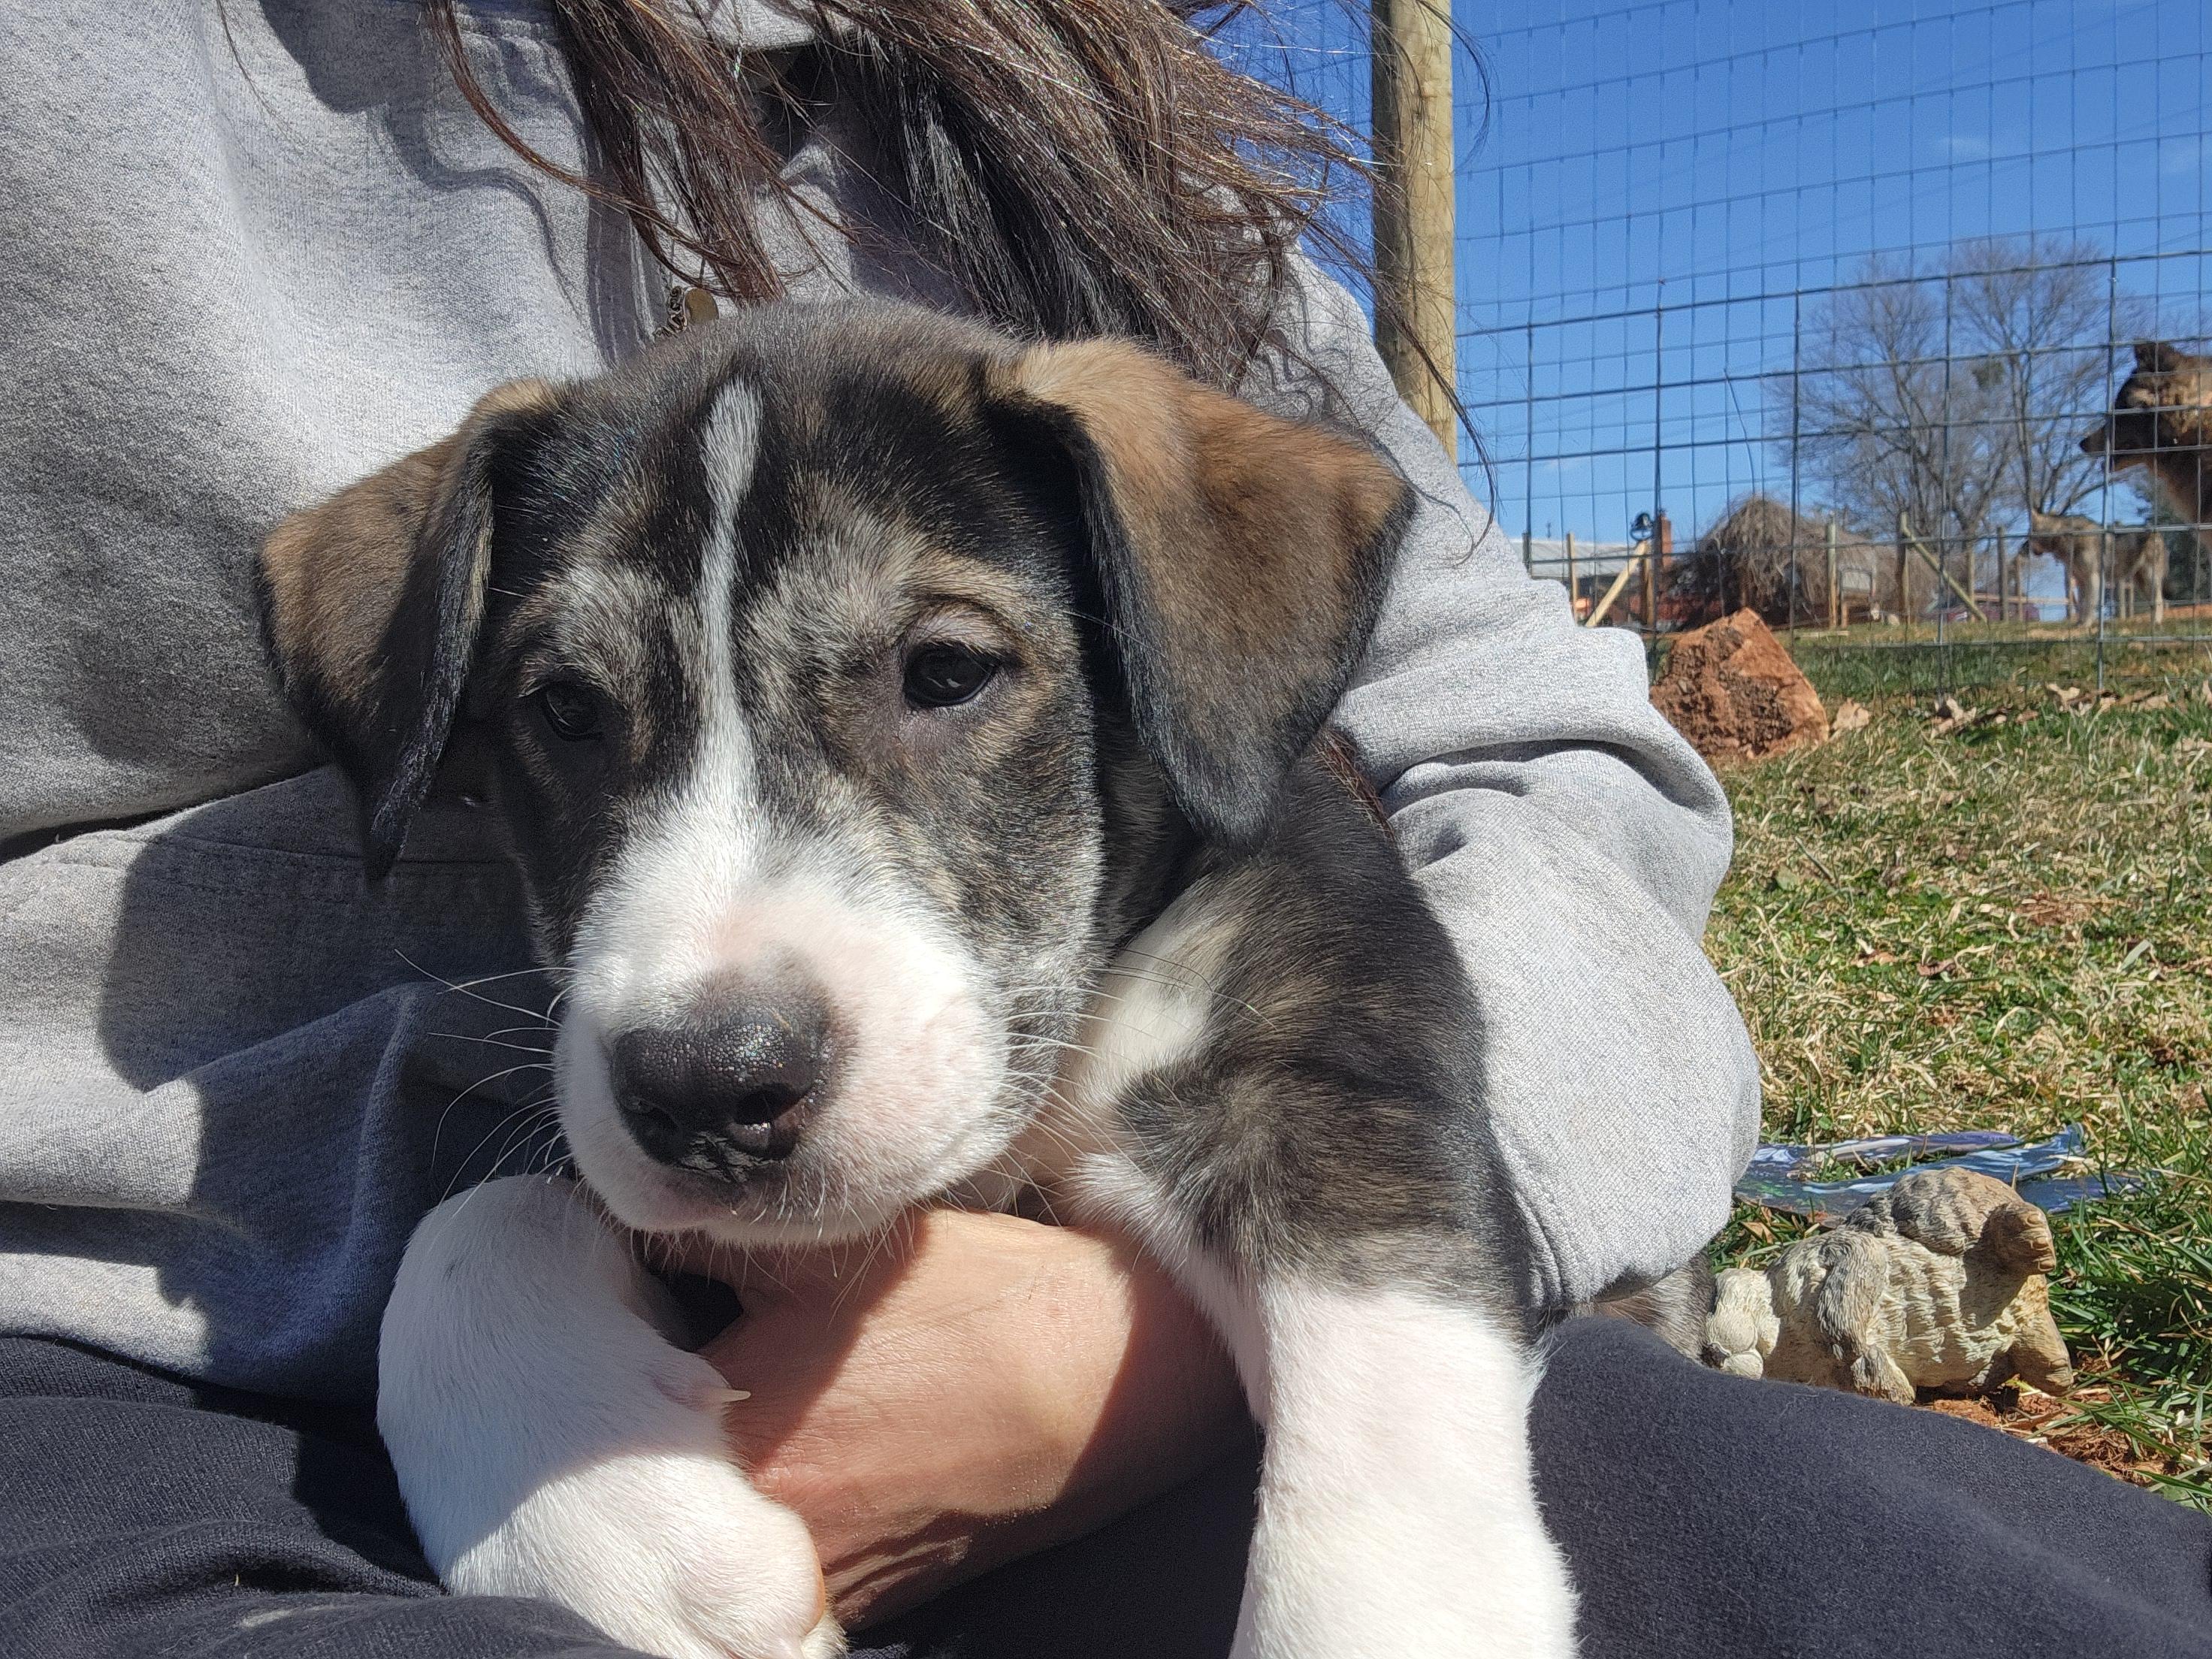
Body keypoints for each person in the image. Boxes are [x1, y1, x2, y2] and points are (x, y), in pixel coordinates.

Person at [0, 5, 2204, 1657]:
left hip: (1226, 1287)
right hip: (155, 1402)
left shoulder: (1060, 121)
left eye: (937, 675)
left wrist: (1176, 1347)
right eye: (577, 715)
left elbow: (1547, 769)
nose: (723, 952)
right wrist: (459, 1295)